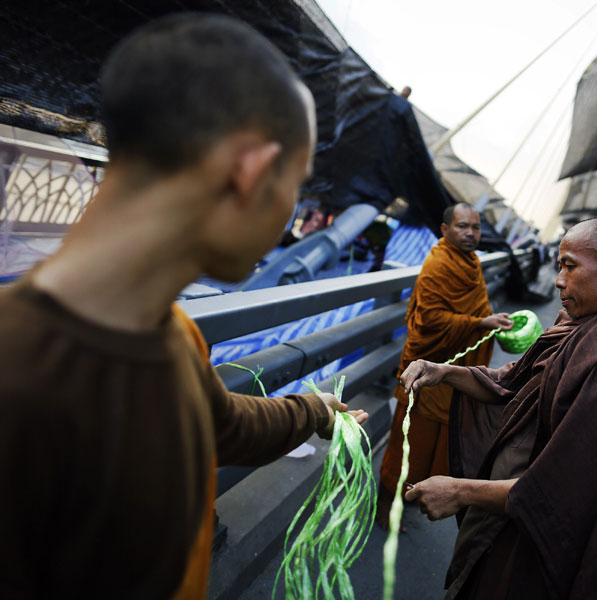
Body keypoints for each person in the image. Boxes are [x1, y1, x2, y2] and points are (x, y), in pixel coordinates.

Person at [0, 15, 368, 599]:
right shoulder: (19, 378)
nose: (292, 213)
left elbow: (219, 424)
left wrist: (315, 411)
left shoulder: (167, 332)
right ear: (249, 172)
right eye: (296, 181)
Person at [402, 217, 597, 599]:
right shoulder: (580, 328)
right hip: (510, 515)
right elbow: (511, 384)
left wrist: (460, 490)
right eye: (560, 265)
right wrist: (442, 370)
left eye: (569, 265)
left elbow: (559, 489)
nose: (558, 280)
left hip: (538, 543)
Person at [375, 203, 513, 529]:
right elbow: (429, 322)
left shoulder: (471, 263)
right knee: (408, 447)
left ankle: (410, 497)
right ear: (445, 229)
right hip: (425, 374)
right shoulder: (438, 264)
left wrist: (487, 323)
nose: (470, 233)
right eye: (462, 226)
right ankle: (384, 507)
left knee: (435, 448)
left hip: (452, 375)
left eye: (475, 227)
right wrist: (479, 323)